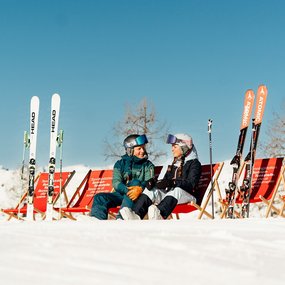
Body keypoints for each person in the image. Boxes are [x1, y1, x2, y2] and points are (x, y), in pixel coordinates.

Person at [120, 133, 201, 220]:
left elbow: (191, 184)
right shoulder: (171, 162)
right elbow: (162, 180)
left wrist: (172, 183)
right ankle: (136, 214)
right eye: (172, 146)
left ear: (184, 148)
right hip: (170, 195)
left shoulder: (194, 163)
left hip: (188, 196)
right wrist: (153, 182)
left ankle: (160, 214)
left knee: (177, 190)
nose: (172, 149)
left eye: (175, 147)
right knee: (151, 190)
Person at [90, 134, 155, 220]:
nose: (142, 151)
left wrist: (140, 188)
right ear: (130, 150)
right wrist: (127, 190)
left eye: (143, 147)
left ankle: (121, 218)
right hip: (122, 194)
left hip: (138, 196)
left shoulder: (148, 165)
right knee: (100, 197)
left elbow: (149, 181)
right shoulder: (120, 164)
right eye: (139, 148)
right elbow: (116, 183)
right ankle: (97, 220)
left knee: (135, 182)